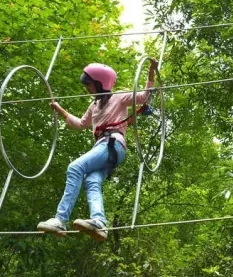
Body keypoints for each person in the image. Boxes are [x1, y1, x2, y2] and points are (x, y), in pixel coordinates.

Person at [37, 59, 157, 240]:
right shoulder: (94, 105)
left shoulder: (119, 97)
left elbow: (143, 97)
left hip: (112, 143)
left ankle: (60, 219)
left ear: (101, 83)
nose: (87, 88)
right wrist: (60, 110)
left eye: (90, 84)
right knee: (92, 181)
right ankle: (99, 222)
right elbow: (79, 124)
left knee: (75, 167)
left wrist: (151, 72)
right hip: (105, 147)